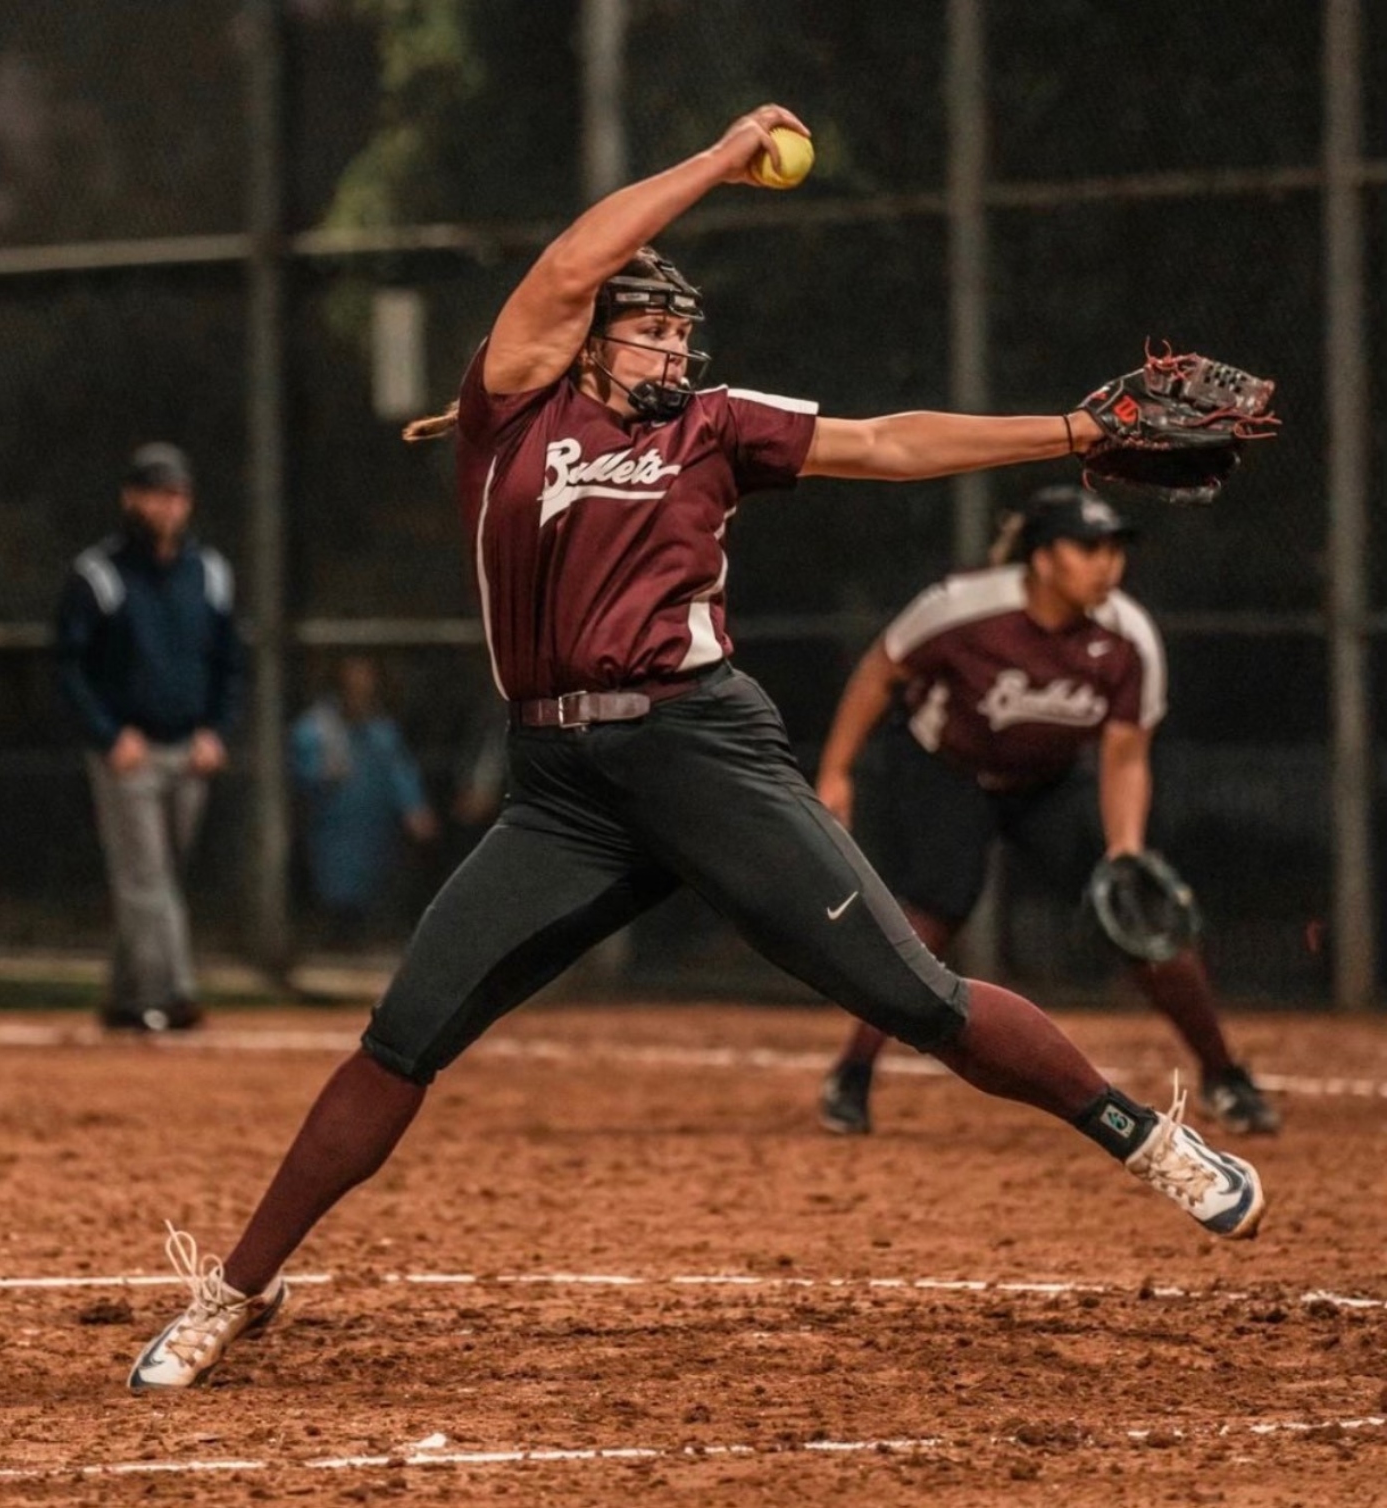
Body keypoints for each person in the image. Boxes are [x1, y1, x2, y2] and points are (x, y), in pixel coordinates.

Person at [127, 105, 1264, 1393]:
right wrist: (722, 161)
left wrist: (1071, 434)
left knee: (917, 1000)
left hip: (703, 751)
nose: (671, 344)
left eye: (680, 328)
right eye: (647, 325)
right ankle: (238, 1286)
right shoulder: (512, 410)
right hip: (560, 790)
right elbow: (565, 266)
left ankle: (1142, 1134)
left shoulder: (713, 425)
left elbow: (889, 443)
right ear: (581, 340)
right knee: (403, 1036)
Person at [814, 485, 1280, 1138]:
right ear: (1041, 558)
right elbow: (877, 674)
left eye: (1114, 549)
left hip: (1045, 782)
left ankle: (1224, 1076)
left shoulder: (1127, 637)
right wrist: (835, 772)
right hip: (943, 768)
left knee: (1139, 916)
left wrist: (1123, 850)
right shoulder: (962, 608)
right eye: (1087, 548)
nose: (1106, 564)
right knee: (938, 905)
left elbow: (1124, 756)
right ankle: (852, 1075)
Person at [55, 442, 243, 1033]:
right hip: (128, 754)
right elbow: (69, 667)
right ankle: (174, 993)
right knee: (147, 879)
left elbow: (229, 661)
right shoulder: (98, 575)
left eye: (178, 495)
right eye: (158, 493)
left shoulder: (209, 573)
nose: (169, 506)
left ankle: (123, 996)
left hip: (188, 748)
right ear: (131, 498)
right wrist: (109, 736)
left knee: (156, 880)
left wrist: (216, 730)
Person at [290, 655, 439, 947]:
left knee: (370, 885)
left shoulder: (381, 731)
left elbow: (400, 771)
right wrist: (321, 773)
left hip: (373, 825)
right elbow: (302, 769)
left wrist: (415, 808)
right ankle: (334, 936)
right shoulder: (318, 726)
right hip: (332, 822)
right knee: (334, 884)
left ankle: (360, 936)